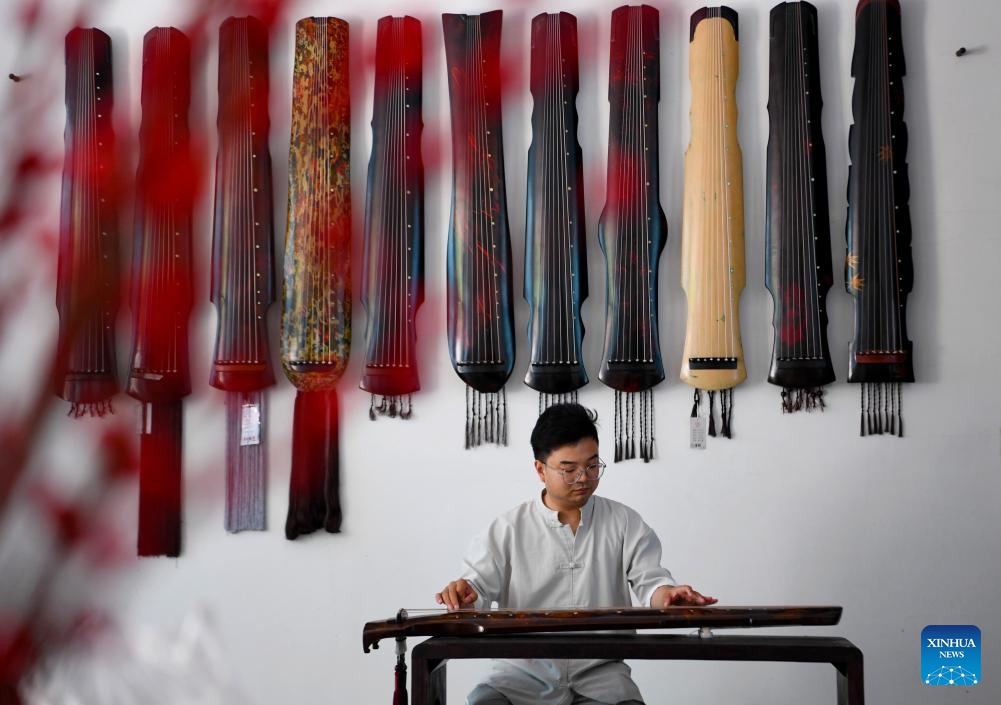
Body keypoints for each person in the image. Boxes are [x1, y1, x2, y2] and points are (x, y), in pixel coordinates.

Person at [435, 403, 716, 705]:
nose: (583, 477)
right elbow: (476, 588)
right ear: (540, 470)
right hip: (521, 671)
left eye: (592, 466)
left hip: (601, 670)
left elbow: (652, 584)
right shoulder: (508, 527)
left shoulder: (623, 521)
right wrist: (465, 593)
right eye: (569, 470)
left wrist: (670, 596)